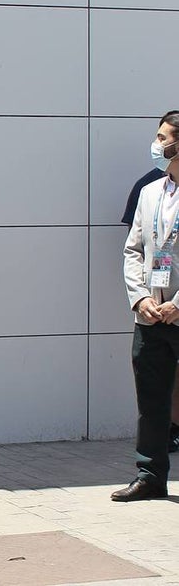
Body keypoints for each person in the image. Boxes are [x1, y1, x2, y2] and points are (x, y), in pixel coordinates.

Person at [114, 111, 179, 501]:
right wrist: (139, 297)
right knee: (152, 399)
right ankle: (150, 474)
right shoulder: (151, 191)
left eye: (163, 137)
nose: (156, 144)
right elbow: (133, 250)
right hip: (152, 316)